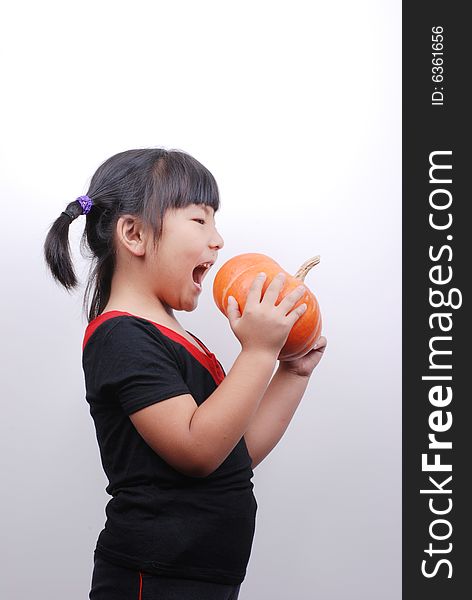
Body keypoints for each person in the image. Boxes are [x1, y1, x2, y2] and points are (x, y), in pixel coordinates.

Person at [43, 147, 327, 600]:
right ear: (134, 234)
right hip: (152, 578)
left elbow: (235, 450)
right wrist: (257, 352)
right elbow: (197, 450)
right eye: (200, 220)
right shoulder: (121, 337)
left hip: (201, 577)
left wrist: (291, 371)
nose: (217, 239)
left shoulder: (176, 336)